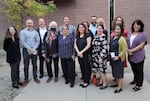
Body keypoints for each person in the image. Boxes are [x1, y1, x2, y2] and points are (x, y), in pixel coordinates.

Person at [127, 19, 147, 92]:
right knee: (134, 69)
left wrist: (131, 50)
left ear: (141, 26)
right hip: (130, 55)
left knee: (139, 70)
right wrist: (127, 50)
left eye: (138, 25)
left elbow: (141, 45)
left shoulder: (143, 34)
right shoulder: (130, 33)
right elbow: (126, 42)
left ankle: (138, 85)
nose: (136, 26)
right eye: (135, 24)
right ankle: (135, 80)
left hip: (139, 55)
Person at [20, 19, 40, 86]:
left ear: (33, 24)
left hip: (34, 50)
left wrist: (33, 49)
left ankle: (35, 77)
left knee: (35, 65)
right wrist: (29, 49)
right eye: (28, 23)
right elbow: (22, 41)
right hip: (26, 50)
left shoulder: (36, 32)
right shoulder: (23, 32)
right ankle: (26, 79)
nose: (29, 24)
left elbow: (38, 41)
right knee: (26, 65)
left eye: (31, 23)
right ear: (26, 24)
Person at [109, 24, 127, 93]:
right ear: (113, 30)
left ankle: (120, 88)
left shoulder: (122, 39)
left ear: (121, 30)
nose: (117, 30)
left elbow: (124, 49)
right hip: (113, 58)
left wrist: (118, 56)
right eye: (116, 29)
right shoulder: (113, 37)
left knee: (119, 73)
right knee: (115, 72)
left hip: (118, 59)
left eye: (118, 29)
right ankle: (117, 84)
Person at [74, 23, 92, 88]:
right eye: (79, 27)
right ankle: (84, 80)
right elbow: (75, 45)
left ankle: (87, 81)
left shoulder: (88, 35)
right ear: (78, 29)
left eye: (82, 27)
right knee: (82, 67)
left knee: (86, 68)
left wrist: (81, 52)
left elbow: (88, 45)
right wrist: (78, 52)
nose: (81, 28)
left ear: (84, 28)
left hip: (86, 54)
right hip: (79, 55)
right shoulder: (77, 36)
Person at [91, 25, 108, 90]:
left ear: (103, 29)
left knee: (102, 70)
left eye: (100, 28)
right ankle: (101, 82)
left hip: (101, 57)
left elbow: (104, 48)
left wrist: (101, 57)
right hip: (95, 56)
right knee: (99, 70)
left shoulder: (104, 37)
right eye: (98, 28)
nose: (99, 30)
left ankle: (105, 84)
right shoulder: (96, 36)